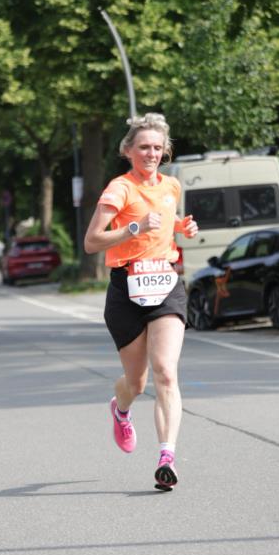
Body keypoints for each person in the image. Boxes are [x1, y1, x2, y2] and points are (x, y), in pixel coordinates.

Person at [84, 112, 200, 491]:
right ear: (128, 151)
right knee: (136, 382)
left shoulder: (171, 186)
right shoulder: (119, 189)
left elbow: (165, 220)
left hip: (165, 283)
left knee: (166, 371)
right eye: (144, 147)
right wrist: (133, 227)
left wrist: (181, 227)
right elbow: (92, 241)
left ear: (165, 151)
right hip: (126, 290)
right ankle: (120, 410)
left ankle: (167, 457)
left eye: (157, 147)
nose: (151, 153)